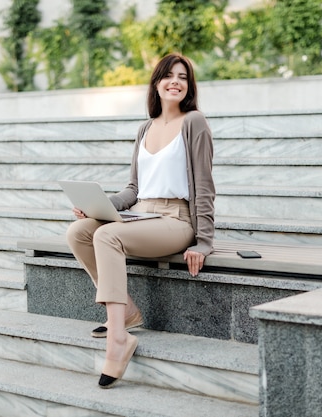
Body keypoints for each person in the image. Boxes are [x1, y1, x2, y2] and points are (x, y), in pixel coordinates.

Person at [66, 53, 215, 389]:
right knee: (79, 232)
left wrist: (203, 242)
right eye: (168, 75)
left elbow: (205, 186)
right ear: (157, 83)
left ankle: (118, 339)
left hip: (176, 220)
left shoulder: (195, 122)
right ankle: (128, 310)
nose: (175, 81)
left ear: (189, 86)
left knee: (107, 237)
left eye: (183, 77)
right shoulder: (145, 128)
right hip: (141, 214)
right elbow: (133, 189)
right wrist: (98, 206)